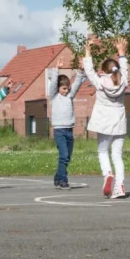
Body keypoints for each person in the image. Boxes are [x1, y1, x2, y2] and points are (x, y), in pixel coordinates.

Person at [83, 37, 130, 199]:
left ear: (103, 71)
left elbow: (89, 70)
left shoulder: (100, 82)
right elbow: (124, 69)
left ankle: (107, 174)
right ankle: (119, 186)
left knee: (103, 151)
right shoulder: (123, 80)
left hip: (104, 120)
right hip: (119, 120)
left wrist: (88, 51)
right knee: (117, 154)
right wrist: (121, 52)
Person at [50, 56, 86, 189]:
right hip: (59, 131)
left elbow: (77, 84)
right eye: (64, 88)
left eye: (67, 88)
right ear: (59, 88)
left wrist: (80, 71)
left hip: (69, 131)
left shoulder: (70, 96)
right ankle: (63, 180)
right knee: (63, 155)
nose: (66, 91)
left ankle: (58, 177)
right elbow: (53, 84)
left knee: (67, 157)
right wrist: (57, 69)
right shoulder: (54, 97)